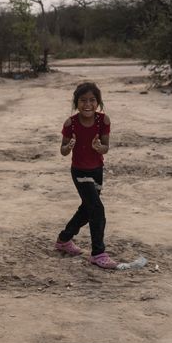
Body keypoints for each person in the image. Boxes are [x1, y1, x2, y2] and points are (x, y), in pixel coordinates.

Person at [55, 81, 116, 269]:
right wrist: (68, 146)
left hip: (97, 170)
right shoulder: (70, 123)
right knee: (97, 209)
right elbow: (63, 151)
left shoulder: (103, 120)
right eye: (83, 100)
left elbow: (105, 147)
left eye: (92, 100)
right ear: (76, 102)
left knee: (88, 209)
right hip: (79, 171)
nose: (87, 104)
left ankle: (64, 239)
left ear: (98, 102)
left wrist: (100, 147)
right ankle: (98, 253)